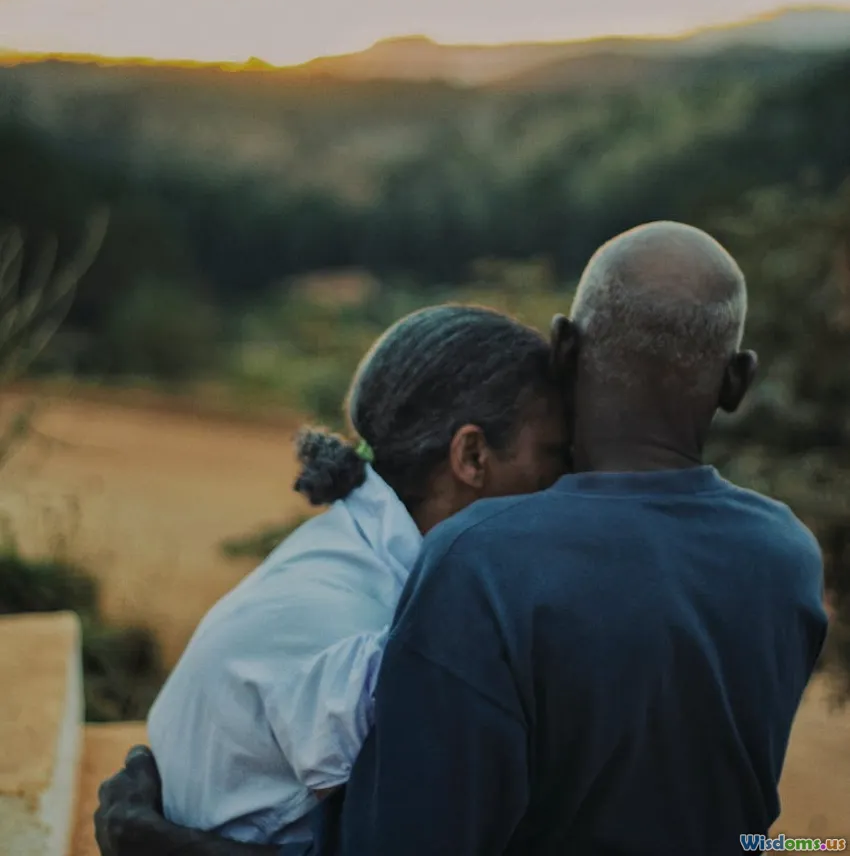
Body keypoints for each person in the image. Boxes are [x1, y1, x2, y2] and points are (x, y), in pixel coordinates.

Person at [95, 222, 829, 856]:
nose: (557, 481)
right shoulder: (788, 555)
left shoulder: (484, 563)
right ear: (738, 381)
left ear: (566, 348)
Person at [135, 304, 569, 852]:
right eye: (555, 454)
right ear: (473, 456)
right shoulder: (358, 626)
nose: (568, 481)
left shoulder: (356, 561)